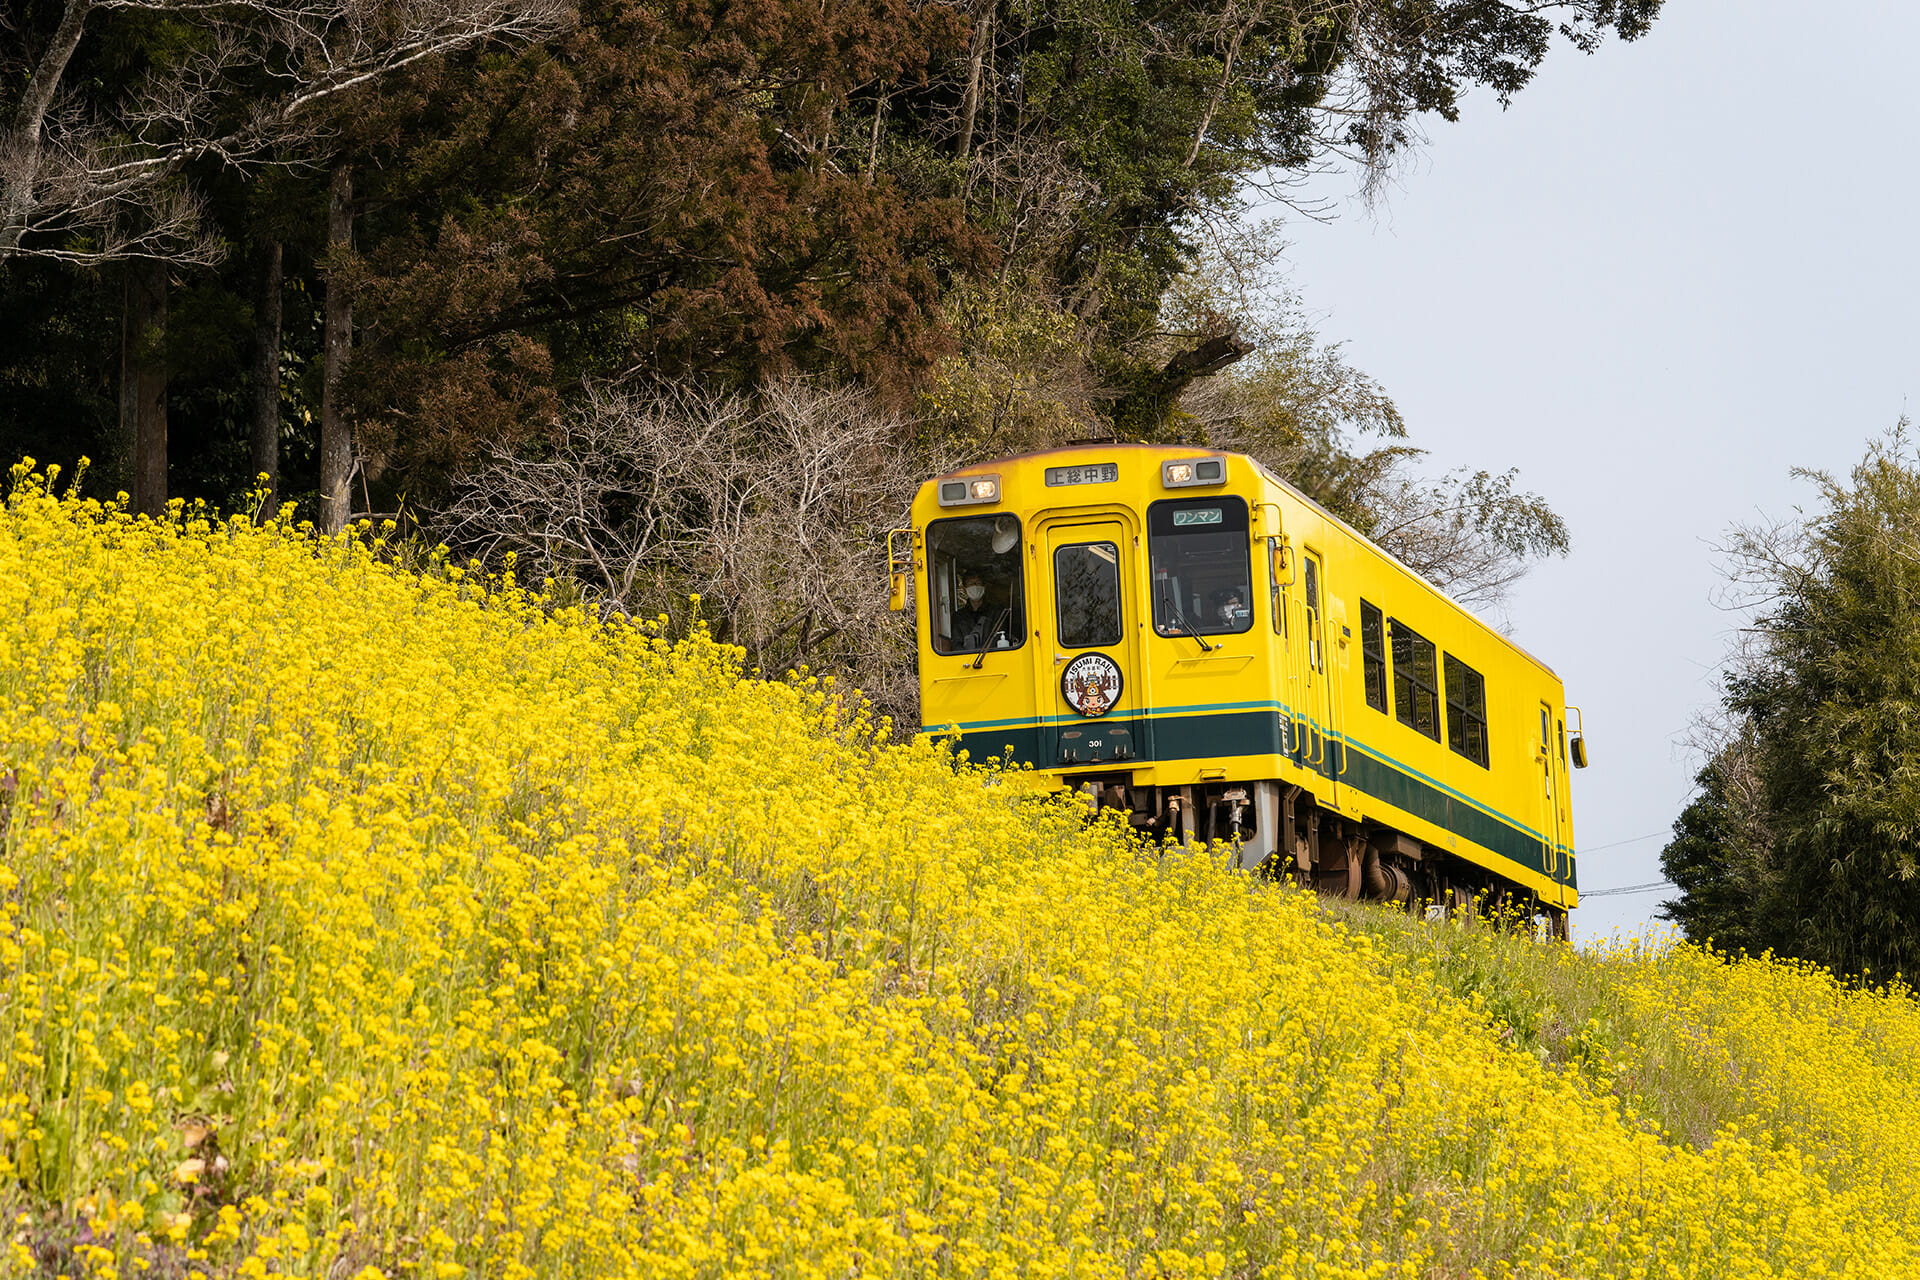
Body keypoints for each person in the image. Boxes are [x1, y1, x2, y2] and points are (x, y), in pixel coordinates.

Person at [949, 571, 993, 650]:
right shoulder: (958, 617)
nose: (975, 586)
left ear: (984, 587)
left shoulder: (995, 612)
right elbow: (956, 644)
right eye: (971, 584)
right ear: (964, 589)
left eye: (978, 583)